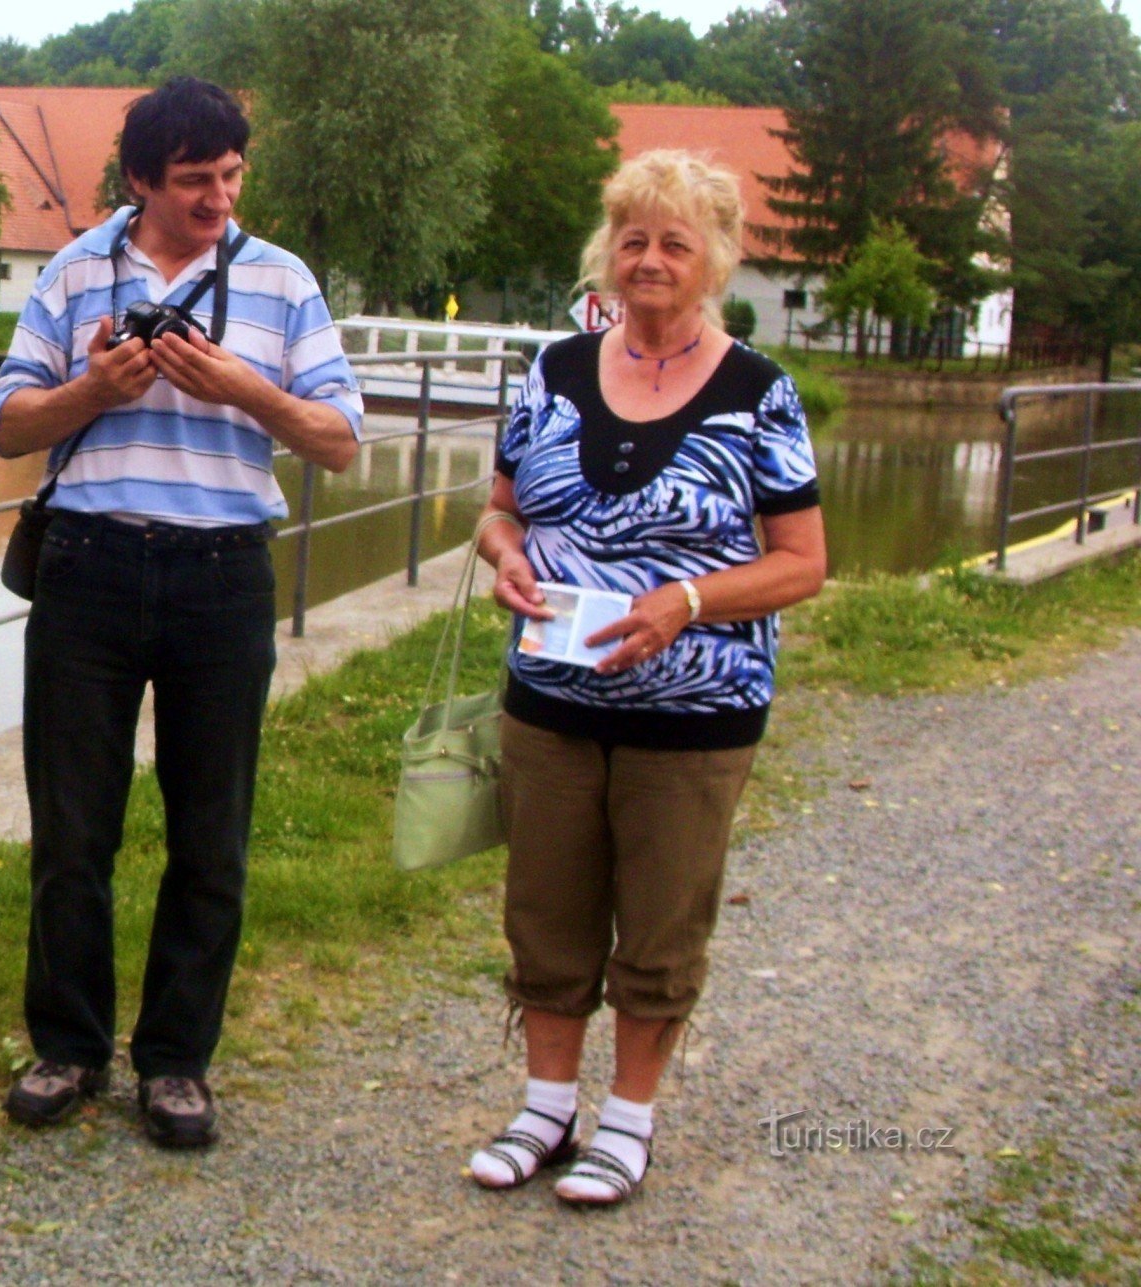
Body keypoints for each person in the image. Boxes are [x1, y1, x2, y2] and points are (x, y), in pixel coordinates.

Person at [0, 77, 362, 1148]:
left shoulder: (282, 281)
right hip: (88, 569)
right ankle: (66, 1047)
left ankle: (175, 1062)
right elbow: (9, 429)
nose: (216, 199)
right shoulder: (69, 271)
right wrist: (94, 389)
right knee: (72, 830)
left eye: (231, 177)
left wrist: (235, 385)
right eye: (194, 180)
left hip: (219, 575)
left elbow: (339, 439)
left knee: (211, 835)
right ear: (139, 179)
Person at [467, 150, 826, 1204]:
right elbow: (498, 510)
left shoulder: (760, 393)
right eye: (632, 239)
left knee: (662, 920)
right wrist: (504, 559)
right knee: (544, 911)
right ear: (606, 253)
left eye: (674, 241)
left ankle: (626, 1122)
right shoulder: (551, 372)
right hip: (550, 701)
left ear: (714, 258)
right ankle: (543, 1108)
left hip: (695, 717)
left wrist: (688, 601)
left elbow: (802, 563)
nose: (650, 259)